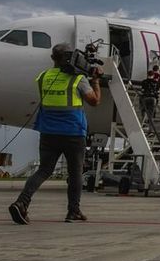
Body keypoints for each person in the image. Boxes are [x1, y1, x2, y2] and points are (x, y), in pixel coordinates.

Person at [8, 43, 103, 224]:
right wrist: (96, 81)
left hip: (48, 132)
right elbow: (94, 101)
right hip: (73, 133)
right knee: (75, 173)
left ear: (53, 58)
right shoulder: (77, 79)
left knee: (44, 170)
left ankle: (22, 202)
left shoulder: (43, 77)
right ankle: (73, 211)